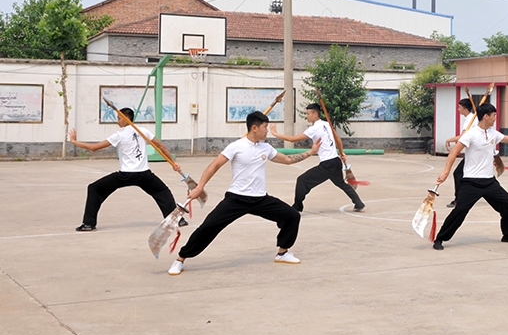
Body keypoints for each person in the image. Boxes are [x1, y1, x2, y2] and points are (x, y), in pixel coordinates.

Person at [168, 111, 320, 275]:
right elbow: (214, 166)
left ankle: (282, 252)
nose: (267, 131)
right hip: (236, 199)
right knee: (208, 227)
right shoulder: (236, 146)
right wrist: (199, 187)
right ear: (254, 128)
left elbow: (288, 160)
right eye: (265, 127)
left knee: (292, 216)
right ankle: (181, 259)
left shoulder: (266, 148)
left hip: (260, 199)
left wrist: (311, 153)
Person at [431, 103, 508, 250]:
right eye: (493, 115)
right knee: (460, 210)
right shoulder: (471, 134)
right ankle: (440, 238)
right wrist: (445, 172)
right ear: (486, 116)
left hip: (489, 182)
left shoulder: (493, 133)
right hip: (471, 182)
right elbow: (454, 152)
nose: (495, 118)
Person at [69, 107, 184, 231]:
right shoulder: (143, 131)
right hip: (144, 175)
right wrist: (173, 163)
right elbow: (161, 146)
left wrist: (75, 142)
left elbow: (94, 148)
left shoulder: (119, 135)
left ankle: (88, 224)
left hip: (126, 175)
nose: (117, 121)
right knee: (163, 192)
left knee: (94, 188)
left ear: (126, 118)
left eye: (119, 118)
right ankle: (177, 220)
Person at [268, 103, 365, 213]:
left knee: (302, 180)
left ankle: (297, 207)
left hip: (327, 164)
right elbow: (338, 138)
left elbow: (292, 139)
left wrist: (276, 134)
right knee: (341, 183)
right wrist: (341, 153)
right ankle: (359, 203)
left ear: (315, 114)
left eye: (308, 113)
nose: (306, 116)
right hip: (336, 161)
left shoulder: (314, 128)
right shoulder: (327, 124)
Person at [444, 98, 477, 208]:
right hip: (474, 152)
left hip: (474, 152)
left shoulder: (470, 120)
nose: (458, 109)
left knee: (458, 174)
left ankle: (459, 200)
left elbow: (463, 137)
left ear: (465, 109)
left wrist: (449, 140)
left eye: (460, 107)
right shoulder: (472, 118)